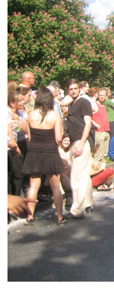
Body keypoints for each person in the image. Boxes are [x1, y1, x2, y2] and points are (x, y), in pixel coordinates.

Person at [21, 88, 67, 226]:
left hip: (34, 151)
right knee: (55, 186)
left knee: (33, 185)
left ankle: (30, 217)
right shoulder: (54, 116)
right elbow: (58, 138)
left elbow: (29, 136)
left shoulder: (30, 114)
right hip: (50, 152)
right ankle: (59, 217)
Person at [66, 79, 95, 219]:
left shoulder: (83, 102)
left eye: (75, 88)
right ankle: (88, 203)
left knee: (77, 177)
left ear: (79, 89)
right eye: (70, 89)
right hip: (74, 141)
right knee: (83, 175)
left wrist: (82, 143)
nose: (73, 91)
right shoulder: (72, 104)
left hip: (81, 141)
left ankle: (77, 209)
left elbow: (88, 123)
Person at [92, 89, 111, 163]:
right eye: (100, 95)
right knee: (98, 155)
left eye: (103, 95)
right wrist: (95, 124)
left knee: (104, 155)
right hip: (99, 133)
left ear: (106, 96)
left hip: (106, 131)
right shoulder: (94, 105)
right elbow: (87, 116)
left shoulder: (105, 105)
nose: (102, 97)